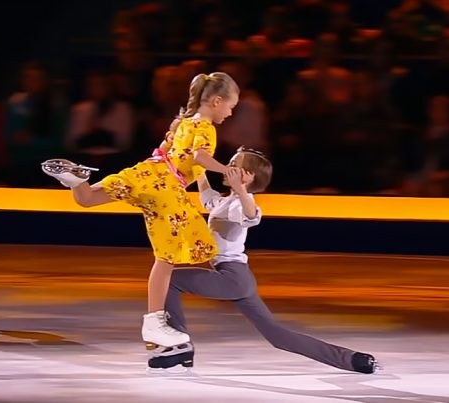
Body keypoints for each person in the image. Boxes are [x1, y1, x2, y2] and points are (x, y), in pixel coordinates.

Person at [42, 72, 240, 349]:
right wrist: (226, 170)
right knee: (167, 258)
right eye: (231, 106)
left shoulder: (183, 122)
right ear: (217, 101)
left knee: (86, 198)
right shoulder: (207, 127)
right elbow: (200, 157)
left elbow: (177, 155)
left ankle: (76, 180)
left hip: (148, 172)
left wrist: (204, 186)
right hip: (166, 188)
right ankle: (154, 323)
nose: (230, 113)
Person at [148, 147, 379, 375]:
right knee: (277, 335)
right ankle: (353, 360)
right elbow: (208, 197)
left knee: (168, 280)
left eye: (235, 164)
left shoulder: (242, 201)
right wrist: (196, 166)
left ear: (248, 176)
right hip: (238, 278)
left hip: (232, 277)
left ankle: (178, 346)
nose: (228, 167)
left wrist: (240, 189)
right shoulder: (227, 202)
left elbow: (252, 215)